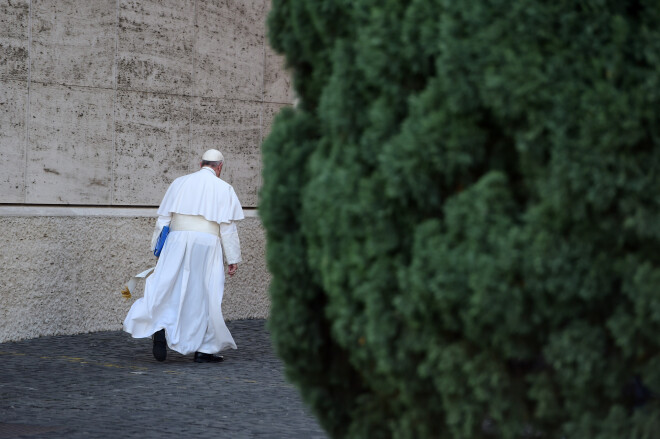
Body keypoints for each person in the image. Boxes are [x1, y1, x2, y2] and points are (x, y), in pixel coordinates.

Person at [123, 149, 244, 363]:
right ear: (220, 167)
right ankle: (204, 349)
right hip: (207, 245)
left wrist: (157, 249)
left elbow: (163, 220)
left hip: (176, 241)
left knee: (167, 285)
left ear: (200, 163)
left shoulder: (179, 183)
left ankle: (158, 324)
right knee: (206, 293)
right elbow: (227, 228)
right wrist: (232, 258)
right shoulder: (224, 188)